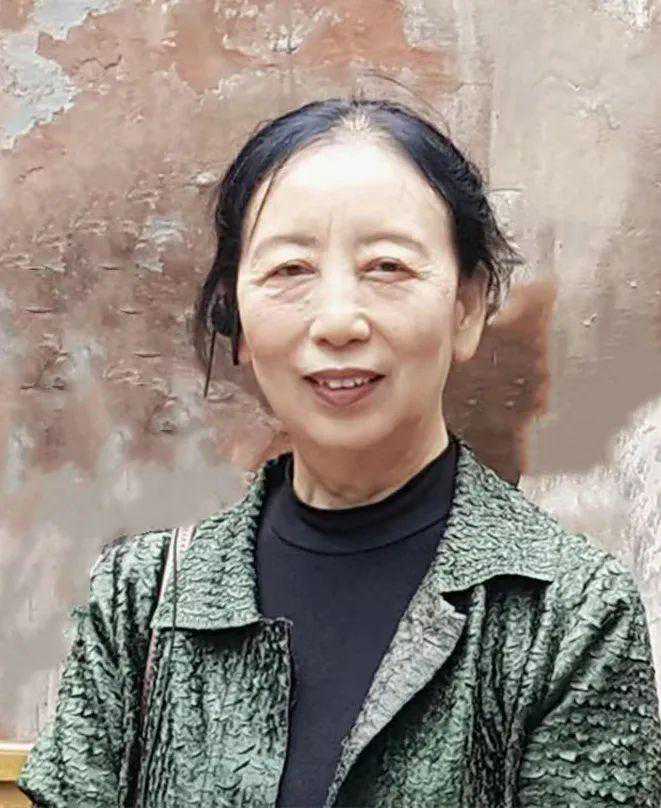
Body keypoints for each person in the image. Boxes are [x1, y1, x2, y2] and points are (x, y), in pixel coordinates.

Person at [18, 97, 661, 807]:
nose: (337, 321)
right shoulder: (139, 603)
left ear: (467, 306)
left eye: (386, 266)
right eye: (290, 270)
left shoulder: (569, 616)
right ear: (236, 317)